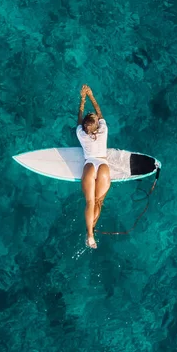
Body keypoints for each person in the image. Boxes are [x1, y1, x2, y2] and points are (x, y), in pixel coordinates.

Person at [77, 84, 111, 249]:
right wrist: (90, 94)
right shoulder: (103, 130)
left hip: (89, 164)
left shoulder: (81, 134)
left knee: (90, 202)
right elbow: (99, 112)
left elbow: (79, 118)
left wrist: (82, 100)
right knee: (98, 202)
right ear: (97, 124)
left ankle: (90, 234)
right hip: (103, 165)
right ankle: (90, 231)